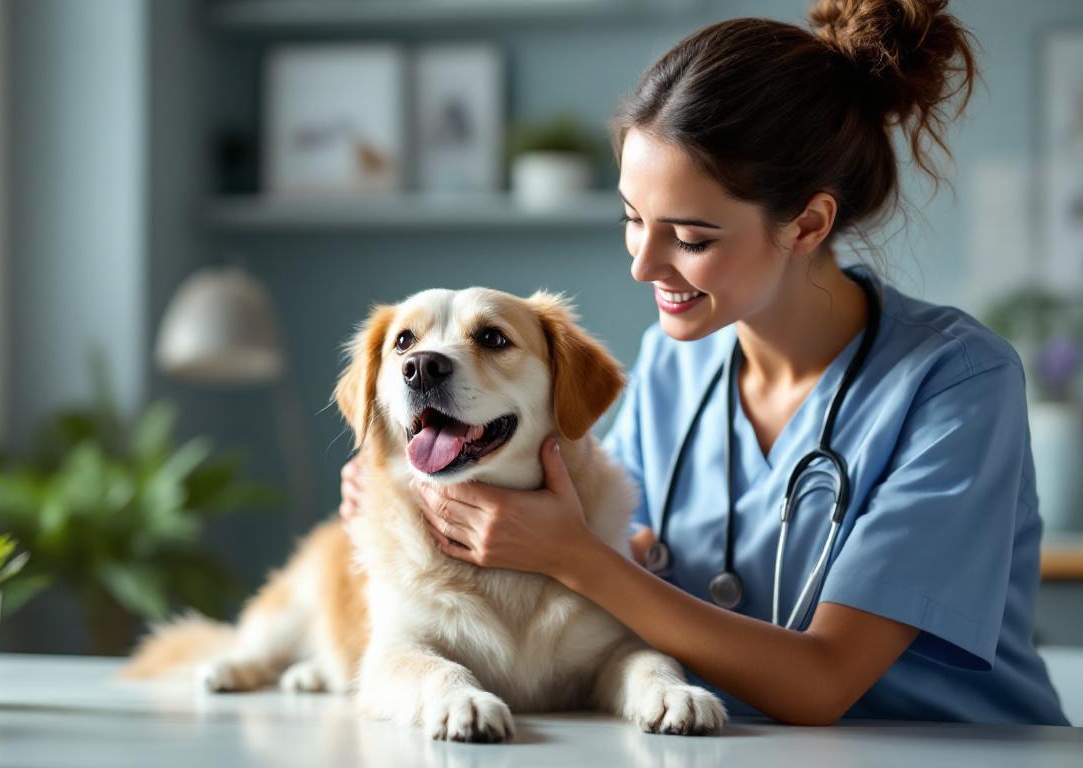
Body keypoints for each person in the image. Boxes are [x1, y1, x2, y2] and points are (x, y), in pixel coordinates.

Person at [339, 0, 1069, 726]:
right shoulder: (674, 368)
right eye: (633, 220)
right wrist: (416, 494)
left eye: (689, 237)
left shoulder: (957, 383)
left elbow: (821, 683)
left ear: (808, 224)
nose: (644, 264)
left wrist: (575, 556)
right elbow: (615, 543)